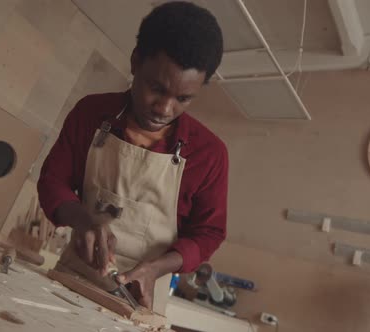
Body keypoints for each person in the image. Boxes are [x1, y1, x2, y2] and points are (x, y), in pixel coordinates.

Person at [37, 1, 227, 314]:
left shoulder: (210, 154)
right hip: (70, 281)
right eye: (156, 88)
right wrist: (82, 220)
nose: (165, 109)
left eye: (183, 98)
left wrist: (156, 268)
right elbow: (52, 181)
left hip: (140, 302)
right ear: (135, 61)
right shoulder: (91, 113)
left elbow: (209, 233)